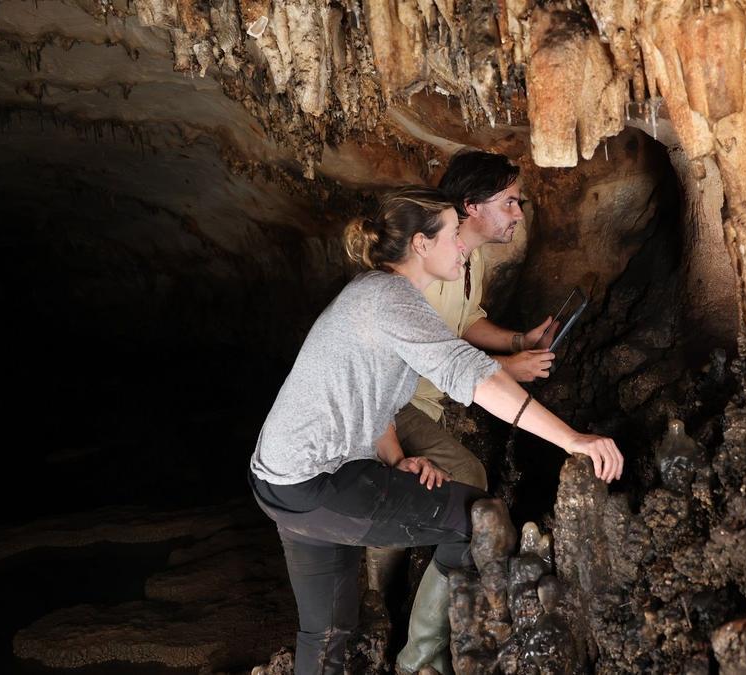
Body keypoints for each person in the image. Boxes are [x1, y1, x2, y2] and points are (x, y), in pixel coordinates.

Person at [248, 186, 624, 675]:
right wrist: (572, 439)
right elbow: (476, 377)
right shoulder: (390, 299)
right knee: (478, 518)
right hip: (316, 482)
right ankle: (418, 660)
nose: (463, 244)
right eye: (453, 234)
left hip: (279, 479)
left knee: (325, 633)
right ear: (421, 245)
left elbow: (374, 400)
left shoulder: (373, 293)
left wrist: (395, 460)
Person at [368, 151, 554, 673]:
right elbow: (436, 354)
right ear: (470, 207)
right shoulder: (427, 266)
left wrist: (518, 340)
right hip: (393, 403)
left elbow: (466, 322)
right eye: (510, 202)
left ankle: (397, 610)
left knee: (458, 486)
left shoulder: (465, 264)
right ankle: (412, 645)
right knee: (471, 483)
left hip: (419, 403)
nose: (518, 213)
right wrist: (505, 368)